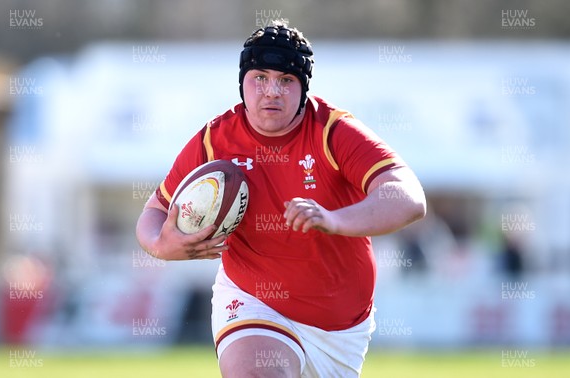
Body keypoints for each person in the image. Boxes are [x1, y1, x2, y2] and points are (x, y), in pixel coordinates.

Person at [136, 20, 426, 378]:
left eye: (286, 80)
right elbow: (154, 213)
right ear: (242, 82)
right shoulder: (214, 141)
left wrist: (335, 220)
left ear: (303, 88)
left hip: (340, 328)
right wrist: (162, 244)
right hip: (252, 302)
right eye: (259, 77)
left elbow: (409, 197)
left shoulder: (332, 132)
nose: (271, 90)